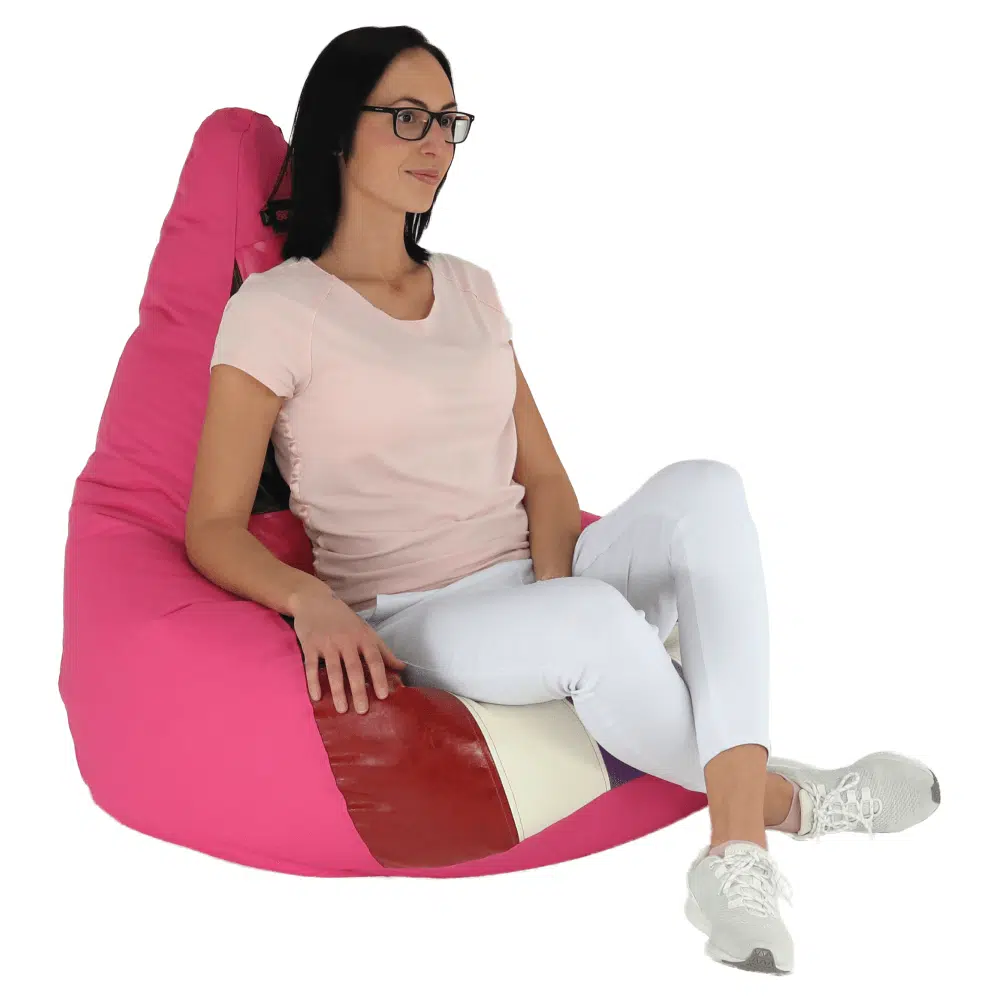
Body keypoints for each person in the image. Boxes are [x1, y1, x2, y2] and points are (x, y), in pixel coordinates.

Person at [185, 26, 940, 976]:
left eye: (449, 121)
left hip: (538, 581)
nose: (436, 144)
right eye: (408, 117)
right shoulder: (276, 309)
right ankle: (797, 809)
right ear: (338, 129)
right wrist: (310, 602)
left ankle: (738, 849)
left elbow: (543, 477)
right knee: (592, 624)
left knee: (708, 487)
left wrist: (557, 587)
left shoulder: (470, 289)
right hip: (417, 611)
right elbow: (212, 525)